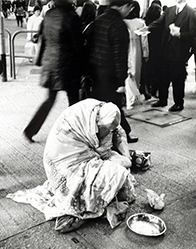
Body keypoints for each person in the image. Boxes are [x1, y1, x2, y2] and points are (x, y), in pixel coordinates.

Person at [8, 99, 136, 233]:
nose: (107, 132)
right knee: (117, 172)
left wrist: (126, 156)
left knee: (120, 170)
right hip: (64, 163)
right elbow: (102, 152)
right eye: (104, 129)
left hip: (83, 153)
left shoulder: (103, 110)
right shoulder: (86, 124)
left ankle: (95, 200)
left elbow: (117, 131)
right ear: (97, 121)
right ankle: (82, 209)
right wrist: (123, 161)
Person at [23, 0, 83, 142]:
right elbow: (78, 45)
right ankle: (76, 135)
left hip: (50, 63)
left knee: (50, 99)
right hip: (68, 65)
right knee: (74, 102)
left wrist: (40, 61)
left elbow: (42, 39)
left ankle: (30, 131)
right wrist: (84, 66)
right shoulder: (72, 17)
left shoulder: (49, 14)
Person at [85, 0, 138, 143]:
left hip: (95, 71)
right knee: (114, 106)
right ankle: (123, 134)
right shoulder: (119, 25)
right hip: (109, 74)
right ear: (124, 6)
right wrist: (121, 82)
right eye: (130, 7)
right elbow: (119, 56)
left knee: (99, 106)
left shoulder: (99, 20)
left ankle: (97, 135)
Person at [144, 0, 196, 112]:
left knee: (177, 78)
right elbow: (159, 22)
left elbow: (193, 32)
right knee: (163, 76)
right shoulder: (170, 10)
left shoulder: (191, 12)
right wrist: (147, 28)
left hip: (180, 52)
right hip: (165, 49)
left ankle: (178, 103)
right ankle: (163, 100)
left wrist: (180, 34)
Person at [124, 1, 149, 105]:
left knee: (126, 74)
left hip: (124, 49)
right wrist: (146, 53)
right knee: (135, 74)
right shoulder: (141, 22)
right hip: (136, 50)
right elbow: (144, 41)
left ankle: (128, 97)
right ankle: (133, 98)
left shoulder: (122, 21)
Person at [145, 1, 162, 98]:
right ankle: (154, 90)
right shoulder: (160, 24)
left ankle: (147, 89)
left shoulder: (145, 22)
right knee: (157, 71)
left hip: (147, 49)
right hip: (158, 51)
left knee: (148, 70)